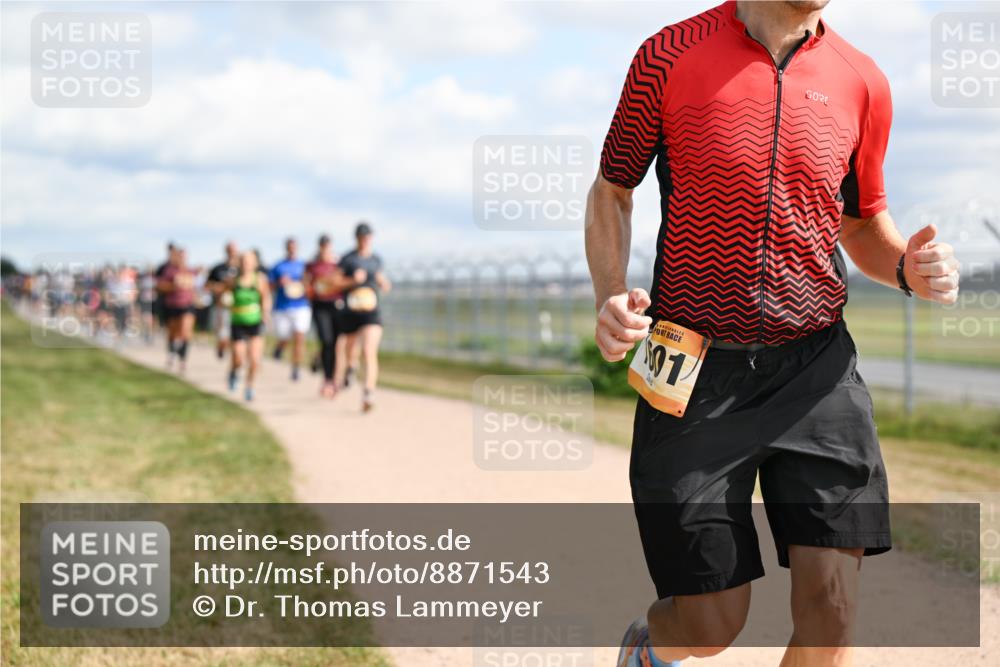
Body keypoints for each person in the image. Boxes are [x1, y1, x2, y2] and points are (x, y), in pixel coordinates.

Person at [586, 3, 961, 667]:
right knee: (708, 624)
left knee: (833, 606)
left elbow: (860, 221)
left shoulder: (862, 79)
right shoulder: (667, 56)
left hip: (818, 371)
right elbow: (614, 188)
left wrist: (907, 268)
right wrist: (611, 294)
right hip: (694, 369)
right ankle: (646, 651)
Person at [335, 222, 391, 412]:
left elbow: (383, 281)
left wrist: (383, 283)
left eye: (368, 236)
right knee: (351, 349)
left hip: (371, 312)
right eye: (362, 236)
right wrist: (352, 280)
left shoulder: (376, 260)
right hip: (351, 311)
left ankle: (368, 391)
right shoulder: (347, 259)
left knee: (369, 350)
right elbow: (335, 282)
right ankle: (351, 367)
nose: (365, 239)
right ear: (356, 238)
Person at [306, 234, 355, 398]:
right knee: (326, 341)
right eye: (322, 245)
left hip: (337, 306)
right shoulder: (312, 265)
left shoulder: (338, 264)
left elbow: (345, 282)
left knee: (337, 344)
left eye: (327, 245)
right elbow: (306, 285)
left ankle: (336, 379)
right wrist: (310, 290)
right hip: (320, 307)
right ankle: (328, 379)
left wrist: (336, 283)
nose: (325, 248)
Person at [226, 250, 271, 402]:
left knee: (254, 359)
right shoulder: (233, 280)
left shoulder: (259, 279)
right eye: (243, 261)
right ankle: (233, 371)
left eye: (249, 261)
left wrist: (265, 313)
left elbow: (265, 298)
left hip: (255, 321)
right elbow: (224, 297)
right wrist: (225, 301)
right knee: (238, 356)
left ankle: (250, 386)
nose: (246, 264)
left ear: (254, 264)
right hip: (237, 321)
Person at [269, 237, 311, 381]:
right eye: (290, 247)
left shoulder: (304, 266)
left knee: (299, 336)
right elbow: (269, 287)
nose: (292, 249)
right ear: (286, 248)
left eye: (294, 247)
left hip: (301, 306)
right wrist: (279, 283)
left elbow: (311, 285)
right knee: (284, 336)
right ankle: (280, 348)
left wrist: (304, 285)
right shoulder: (278, 266)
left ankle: (296, 367)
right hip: (282, 307)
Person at [157, 247, 198, 373]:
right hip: (173, 305)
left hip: (188, 305)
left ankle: (183, 360)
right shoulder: (169, 271)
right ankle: (171, 353)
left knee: (186, 332)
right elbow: (160, 286)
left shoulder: (191, 271)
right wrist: (174, 286)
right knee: (173, 334)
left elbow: (197, 287)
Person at [207, 242, 241, 360]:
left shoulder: (241, 269)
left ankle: (235, 356)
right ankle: (221, 347)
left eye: (234, 250)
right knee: (223, 334)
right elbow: (207, 285)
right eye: (229, 250)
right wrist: (218, 287)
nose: (232, 253)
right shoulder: (218, 268)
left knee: (236, 335)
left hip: (238, 307)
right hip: (222, 306)